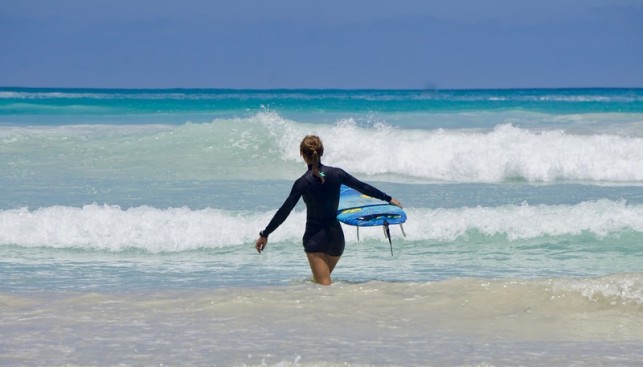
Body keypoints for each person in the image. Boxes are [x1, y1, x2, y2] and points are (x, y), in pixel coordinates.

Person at [255, 135, 402, 285]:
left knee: (324, 289)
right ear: (321, 152)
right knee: (318, 284)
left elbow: (284, 211)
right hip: (336, 240)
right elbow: (362, 187)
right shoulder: (337, 174)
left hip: (315, 240)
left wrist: (265, 234)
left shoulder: (302, 183)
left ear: (302, 154)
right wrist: (388, 198)